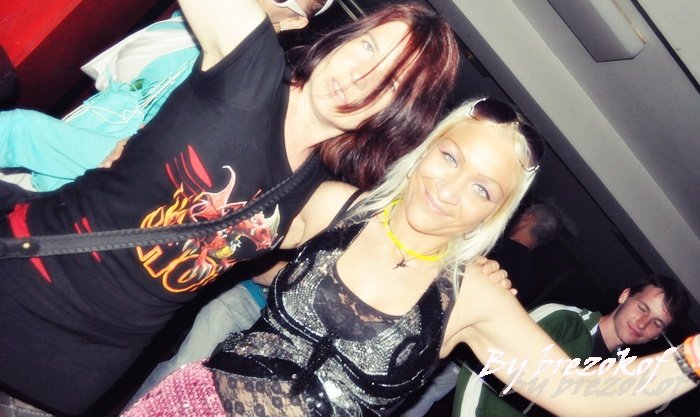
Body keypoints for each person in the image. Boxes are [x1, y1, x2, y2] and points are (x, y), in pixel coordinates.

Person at [0, 0, 460, 414]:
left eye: (393, 83)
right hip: (21, 282)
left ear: (394, 115)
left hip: (68, 377)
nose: (363, 77)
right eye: (368, 48)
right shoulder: (250, 70)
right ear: (343, 40)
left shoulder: (319, 194)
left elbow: (418, 249)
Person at [122, 99, 700, 417]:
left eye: (482, 189)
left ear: (494, 214)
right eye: (450, 158)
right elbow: (214, 235)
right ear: (426, 150)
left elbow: (578, 392)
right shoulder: (336, 208)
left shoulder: (473, 295)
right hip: (190, 406)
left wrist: (691, 361)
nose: (449, 191)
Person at [0, 0, 341, 192]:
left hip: (58, 186)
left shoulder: (228, 76)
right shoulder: (189, 22)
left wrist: (21, 134)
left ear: (292, 20)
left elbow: (141, 158)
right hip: (40, 162)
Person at [394, 202, 564, 417]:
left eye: (523, 214)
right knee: (420, 400)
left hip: (435, 336)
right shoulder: (529, 277)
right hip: (467, 357)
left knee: (399, 391)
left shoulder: (494, 247)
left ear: (528, 219)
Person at [454, 274, 691, 417]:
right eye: (642, 308)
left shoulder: (619, 375)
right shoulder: (563, 319)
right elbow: (484, 363)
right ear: (625, 296)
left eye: (657, 323)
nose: (642, 323)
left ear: (658, 336)